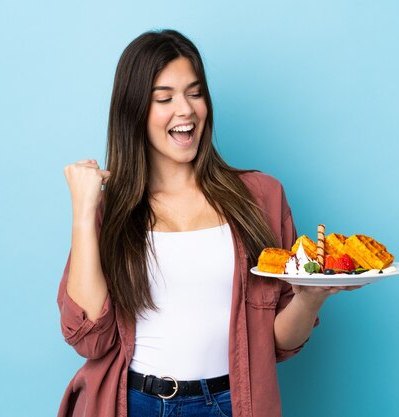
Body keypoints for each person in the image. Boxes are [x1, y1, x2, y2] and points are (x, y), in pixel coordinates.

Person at [57, 29, 357, 417]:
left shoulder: (261, 198)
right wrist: (83, 214)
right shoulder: (109, 209)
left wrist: (311, 296)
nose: (185, 110)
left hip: (233, 403)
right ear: (134, 111)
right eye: (164, 98)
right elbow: (90, 339)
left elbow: (280, 344)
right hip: (136, 404)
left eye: (195, 93)